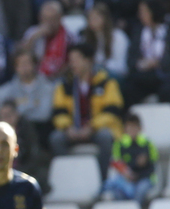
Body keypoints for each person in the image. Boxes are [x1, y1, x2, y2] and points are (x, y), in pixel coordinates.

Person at [50, 42, 121, 171]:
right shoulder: (64, 85)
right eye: (70, 61)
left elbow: (112, 112)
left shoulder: (107, 83)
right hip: (73, 130)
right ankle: (69, 174)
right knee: (56, 138)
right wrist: (67, 127)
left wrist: (92, 127)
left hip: (96, 130)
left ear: (88, 61)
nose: (72, 64)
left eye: (76, 60)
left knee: (105, 137)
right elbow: (59, 112)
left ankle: (102, 177)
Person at [100, 111, 158, 202]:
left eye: (134, 127)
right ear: (125, 129)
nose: (132, 130)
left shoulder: (148, 144)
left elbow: (153, 163)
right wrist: (127, 173)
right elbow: (117, 163)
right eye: (130, 127)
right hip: (126, 179)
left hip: (144, 178)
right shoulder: (119, 145)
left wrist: (141, 167)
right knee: (117, 192)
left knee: (139, 191)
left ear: (140, 128)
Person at [0, 50, 54, 131]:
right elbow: (2, 114)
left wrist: (18, 113)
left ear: (34, 65)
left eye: (27, 63)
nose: (24, 67)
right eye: (20, 64)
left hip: (41, 129)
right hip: (16, 130)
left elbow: (44, 114)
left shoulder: (47, 87)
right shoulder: (7, 90)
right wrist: (32, 106)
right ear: (15, 67)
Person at [20, 0, 76, 79]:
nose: (49, 23)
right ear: (40, 18)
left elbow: (71, 61)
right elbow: (21, 55)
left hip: (60, 77)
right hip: (35, 77)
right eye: (45, 19)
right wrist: (34, 37)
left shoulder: (68, 36)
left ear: (60, 18)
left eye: (52, 19)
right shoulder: (32, 32)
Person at [83, 1, 128, 78]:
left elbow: (121, 67)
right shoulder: (88, 37)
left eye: (95, 18)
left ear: (105, 19)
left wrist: (101, 64)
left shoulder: (118, 36)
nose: (91, 21)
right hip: (96, 73)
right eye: (90, 18)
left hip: (115, 75)